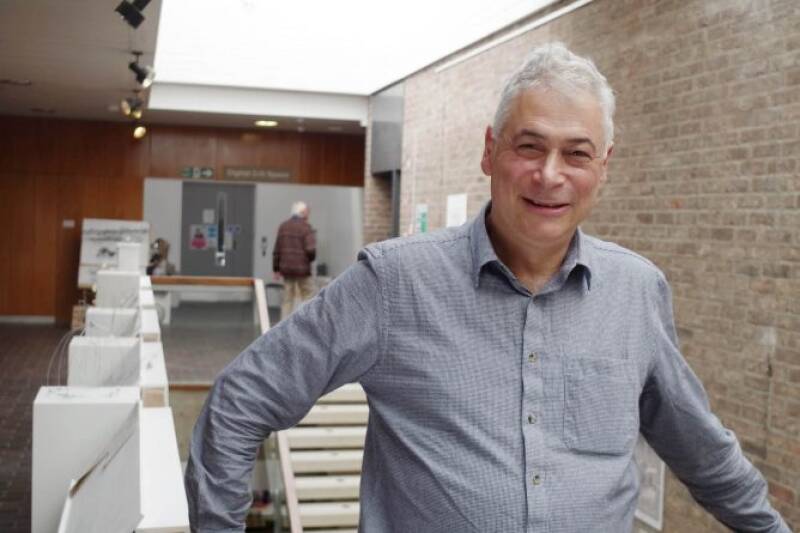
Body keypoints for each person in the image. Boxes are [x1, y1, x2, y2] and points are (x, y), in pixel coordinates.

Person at [185, 43, 790, 532]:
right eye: (530, 147)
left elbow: (703, 452)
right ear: (490, 151)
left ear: (603, 167)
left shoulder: (636, 292)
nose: (549, 175)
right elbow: (240, 402)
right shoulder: (395, 282)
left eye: (576, 154)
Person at [272, 201, 317, 320]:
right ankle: (305, 321)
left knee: (287, 299)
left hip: (286, 269)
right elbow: (311, 250)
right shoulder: (306, 227)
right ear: (302, 212)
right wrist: (309, 260)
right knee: (310, 295)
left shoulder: (283, 226)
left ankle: (283, 326)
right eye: (307, 211)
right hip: (302, 269)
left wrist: (276, 269)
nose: (308, 214)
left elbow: (277, 250)